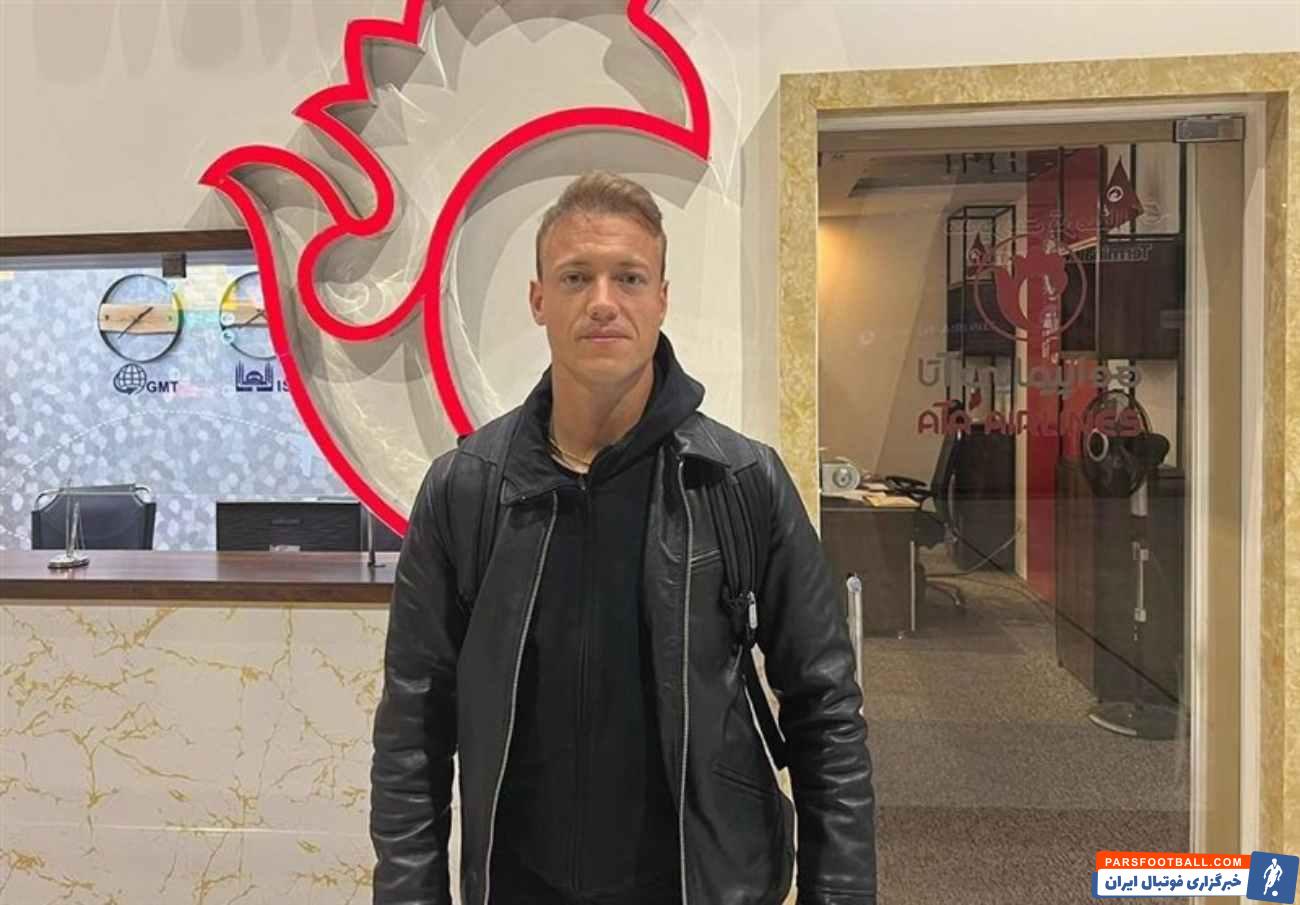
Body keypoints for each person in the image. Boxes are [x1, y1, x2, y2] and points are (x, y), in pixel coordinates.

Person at [370, 170, 877, 905]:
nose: (603, 301)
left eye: (629, 277)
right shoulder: (467, 490)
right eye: (576, 277)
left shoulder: (738, 480)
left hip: (702, 886)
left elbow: (825, 709)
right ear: (538, 299)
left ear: (661, 298)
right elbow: (412, 726)